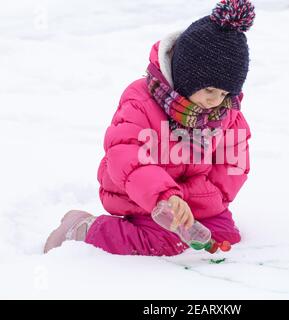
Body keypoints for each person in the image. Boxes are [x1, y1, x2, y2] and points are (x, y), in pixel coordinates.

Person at [44, 0, 255, 256]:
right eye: (209, 89)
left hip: (193, 200)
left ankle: (179, 222)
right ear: (185, 75)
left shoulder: (224, 112)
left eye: (224, 92)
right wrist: (166, 198)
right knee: (163, 242)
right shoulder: (141, 101)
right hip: (142, 196)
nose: (215, 100)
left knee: (223, 237)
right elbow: (128, 157)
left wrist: (198, 200)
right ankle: (85, 229)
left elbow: (233, 165)